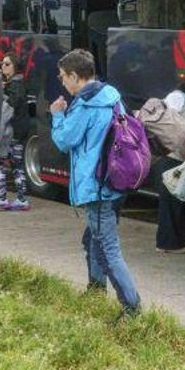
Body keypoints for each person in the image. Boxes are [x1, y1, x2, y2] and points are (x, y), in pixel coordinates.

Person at [50, 49, 140, 317]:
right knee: (93, 238)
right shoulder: (112, 97)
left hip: (97, 185)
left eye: (64, 76)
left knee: (107, 249)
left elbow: (65, 140)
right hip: (116, 180)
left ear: (76, 76)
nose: (62, 81)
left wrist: (57, 114)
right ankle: (95, 289)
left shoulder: (85, 105)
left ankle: (132, 309)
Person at [139, 73, 185, 251]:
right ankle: (169, 243)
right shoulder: (177, 97)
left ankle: (176, 241)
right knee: (171, 201)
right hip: (172, 155)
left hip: (176, 155)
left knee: (175, 200)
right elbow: (168, 123)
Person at [0, 53, 35, 212]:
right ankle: (21, 199)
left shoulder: (13, 87)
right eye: (2, 63)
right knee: (17, 165)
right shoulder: (20, 83)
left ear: (15, 67)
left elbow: (6, 112)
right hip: (19, 132)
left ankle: (1, 198)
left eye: (7, 64)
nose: (2, 66)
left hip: (9, 132)